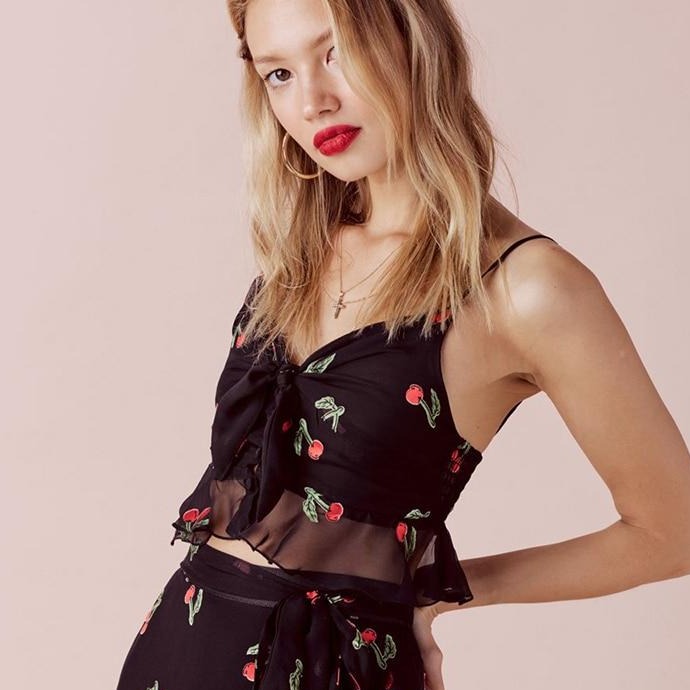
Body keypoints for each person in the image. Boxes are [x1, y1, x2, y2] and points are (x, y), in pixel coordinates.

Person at [116, 0, 690, 688]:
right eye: (279, 74)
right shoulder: (302, 250)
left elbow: (673, 531)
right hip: (175, 650)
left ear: (413, 38)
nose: (313, 101)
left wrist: (443, 591)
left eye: (336, 53)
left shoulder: (526, 287)